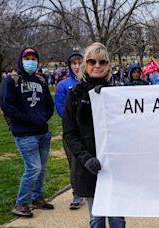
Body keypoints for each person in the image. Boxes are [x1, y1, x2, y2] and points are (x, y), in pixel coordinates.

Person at [62, 42, 125, 228]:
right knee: (96, 217)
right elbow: (69, 133)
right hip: (88, 167)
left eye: (102, 62)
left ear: (108, 66)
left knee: (117, 218)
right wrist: (86, 158)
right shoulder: (74, 95)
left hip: (115, 166)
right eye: (92, 61)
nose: (97, 66)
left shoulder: (120, 93)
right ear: (85, 64)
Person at [0, 47, 54, 217]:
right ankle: (21, 203)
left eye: (34, 58)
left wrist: (43, 117)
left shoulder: (41, 80)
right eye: (27, 58)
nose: (31, 61)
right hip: (24, 133)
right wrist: (29, 119)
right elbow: (7, 106)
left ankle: (37, 197)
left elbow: (49, 104)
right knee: (33, 168)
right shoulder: (11, 80)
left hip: (42, 131)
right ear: (21, 60)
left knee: (42, 168)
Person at [54, 50, 84, 210]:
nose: (77, 66)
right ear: (69, 65)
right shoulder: (63, 85)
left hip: (89, 131)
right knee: (74, 163)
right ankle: (77, 194)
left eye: (80, 62)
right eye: (74, 63)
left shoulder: (88, 81)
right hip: (72, 131)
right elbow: (60, 108)